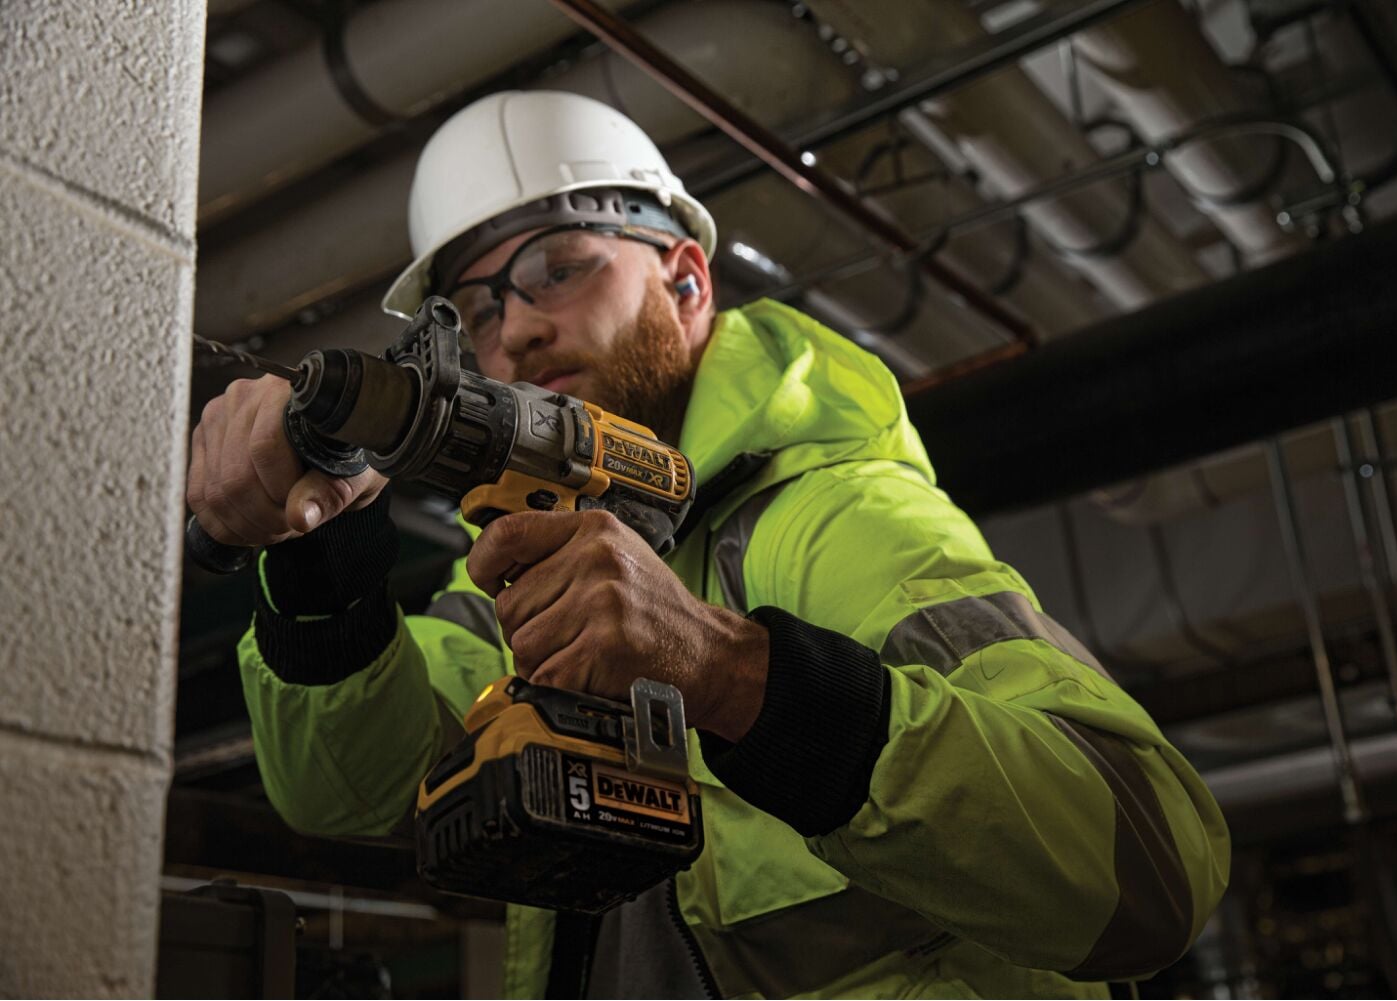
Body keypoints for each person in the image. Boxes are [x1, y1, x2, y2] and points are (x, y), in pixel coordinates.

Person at [188, 90, 1229, 998]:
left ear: (687, 279)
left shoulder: (830, 520)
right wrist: (322, 557)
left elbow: (1150, 870)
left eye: (559, 267)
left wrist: (728, 671)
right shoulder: (514, 564)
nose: (519, 330)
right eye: (475, 308)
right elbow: (350, 787)